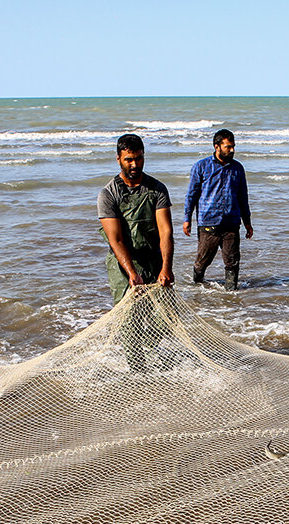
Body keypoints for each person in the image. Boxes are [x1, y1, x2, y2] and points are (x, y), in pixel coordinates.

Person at [97, 134, 175, 371]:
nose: (134, 165)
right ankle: (137, 369)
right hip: (123, 264)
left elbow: (166, 232)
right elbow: (116, 238)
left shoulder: (157, 189)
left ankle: (148, 348)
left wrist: (166, 268)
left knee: (167, 315)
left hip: (153, 257)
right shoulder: (109, 194)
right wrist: (131, 272)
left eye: (139, 159)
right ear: (118, 159)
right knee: (129, 319)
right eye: (129, 160)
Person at [182, 128, 253, 291]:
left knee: (232, 262)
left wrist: (247, 222)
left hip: (232, 224)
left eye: (233, 146)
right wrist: (187, 219)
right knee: (202, 262)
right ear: (217, 146)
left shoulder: (238, 169)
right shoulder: (201, 167)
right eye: (228, 147)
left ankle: (231, 294)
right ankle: (197, 288)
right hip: (208, 222)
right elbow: (191, 195)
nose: (232, 150)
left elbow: (243, 197)